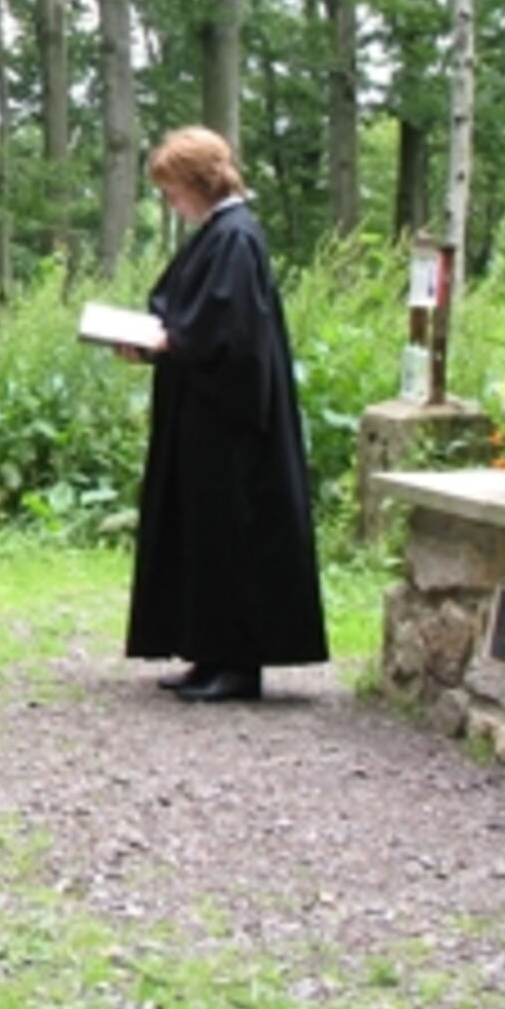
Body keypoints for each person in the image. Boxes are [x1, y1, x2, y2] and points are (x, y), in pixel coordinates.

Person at [119, 125, 328, 704]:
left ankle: (238, 661)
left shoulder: (235, 238)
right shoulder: (222, 234)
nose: (171, 202)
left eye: (172, 189)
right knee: (204, 533)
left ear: (198, 182)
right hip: (204, 414)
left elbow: (230, 334)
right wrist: (154, 343)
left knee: (232, 532)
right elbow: (193, 317)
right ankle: (210, 651)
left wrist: (169, 342)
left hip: (231, 425)